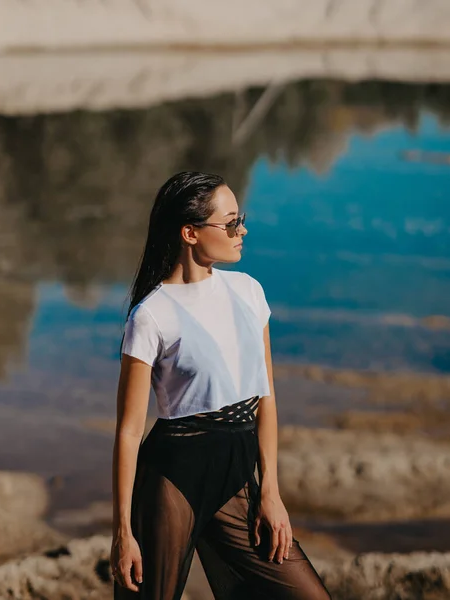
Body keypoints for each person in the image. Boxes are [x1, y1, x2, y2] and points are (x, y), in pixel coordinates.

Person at [111, 172, 332, 599]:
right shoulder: (151, 315)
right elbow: (129, 431)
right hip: (173, 479)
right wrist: (122, 531)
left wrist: (271, 491)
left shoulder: (249, 293)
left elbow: (265, 397)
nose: (241, 230)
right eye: (230, 223)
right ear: (190, 233)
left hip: (237, 478)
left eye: (240, 219)